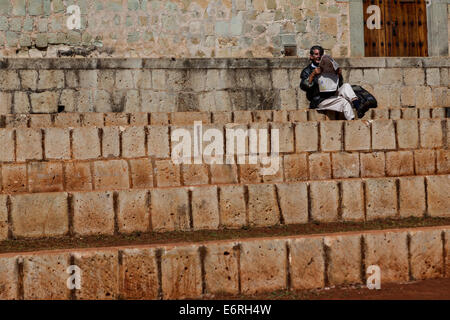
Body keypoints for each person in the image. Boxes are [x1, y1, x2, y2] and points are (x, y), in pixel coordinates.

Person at [300, 45, 367, 119]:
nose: (318, 56)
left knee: (346, 86)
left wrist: (338, 74)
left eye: (320, 54)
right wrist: (313, 74)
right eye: (316, 54)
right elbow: (304, 87)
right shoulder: (306, 71)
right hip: (320, 100)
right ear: (311, 56)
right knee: (345, 102)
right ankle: (352, 122)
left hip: (332, 94)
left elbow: (339, 84)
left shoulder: (329, 67)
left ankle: (358, 106)